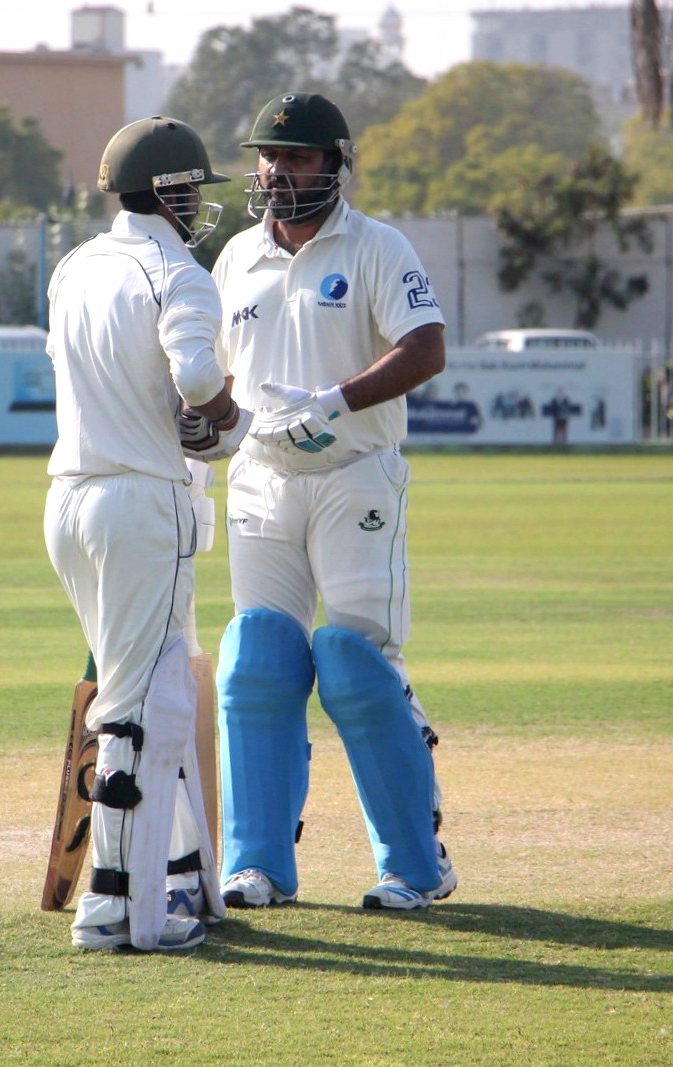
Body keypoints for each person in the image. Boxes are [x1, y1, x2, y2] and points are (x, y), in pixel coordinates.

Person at [211, 91, 457, 912]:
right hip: (261, 477)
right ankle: (257, 863)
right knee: (257, 658)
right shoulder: (235, 257)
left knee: (356, 663)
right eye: (269, 157)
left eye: (298, 157)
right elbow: (216, 372)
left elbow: (427, 349)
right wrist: (202, 422)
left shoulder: (378, 245)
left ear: (335, 165)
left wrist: (334, 402)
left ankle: (416, 864)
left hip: (355, 475)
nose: (279, 171)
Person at [43, 116, 252, 952]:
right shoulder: (178, 272)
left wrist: (182, 418)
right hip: (141, 504)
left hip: (69, 498)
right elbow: (196, 377)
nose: (198, 202)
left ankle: (179, 871)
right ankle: (113, 907)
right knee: (134, 704)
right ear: (167, 192)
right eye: (191, 188)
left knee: (150, 687)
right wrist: (224, 416)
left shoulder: (74, 266)